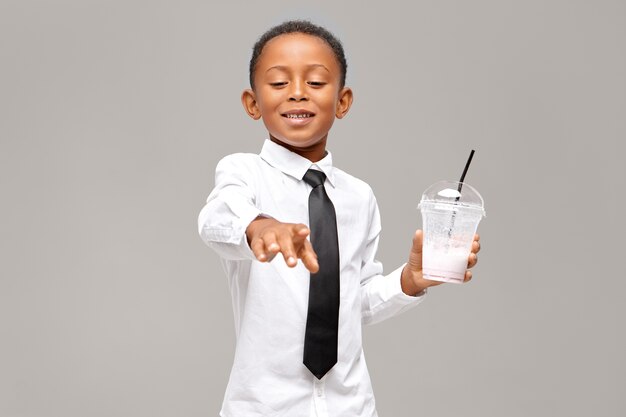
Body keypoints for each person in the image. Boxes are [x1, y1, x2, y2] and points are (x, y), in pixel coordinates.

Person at [198, 20, 481, 417]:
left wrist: (410, 280)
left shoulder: (358, 197)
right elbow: (216, 219)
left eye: (315, 83)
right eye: (279, 84)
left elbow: (355, 304)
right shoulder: (245, 174)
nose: (297, 92)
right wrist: (258, 227)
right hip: (264, 407)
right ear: (253, 103)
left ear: (343, 101)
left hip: (350, 405)